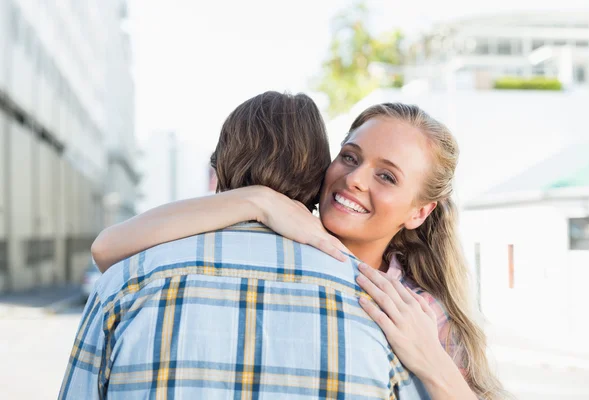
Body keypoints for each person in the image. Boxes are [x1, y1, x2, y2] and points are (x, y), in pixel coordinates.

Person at [91, 101, 508, 399]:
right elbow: (109, 247)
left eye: (386, 176)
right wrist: (257, 200)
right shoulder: (269, 245)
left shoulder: (419, 313)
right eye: (349, 157)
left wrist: (434, 365)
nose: (355, 179)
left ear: (420, 212)